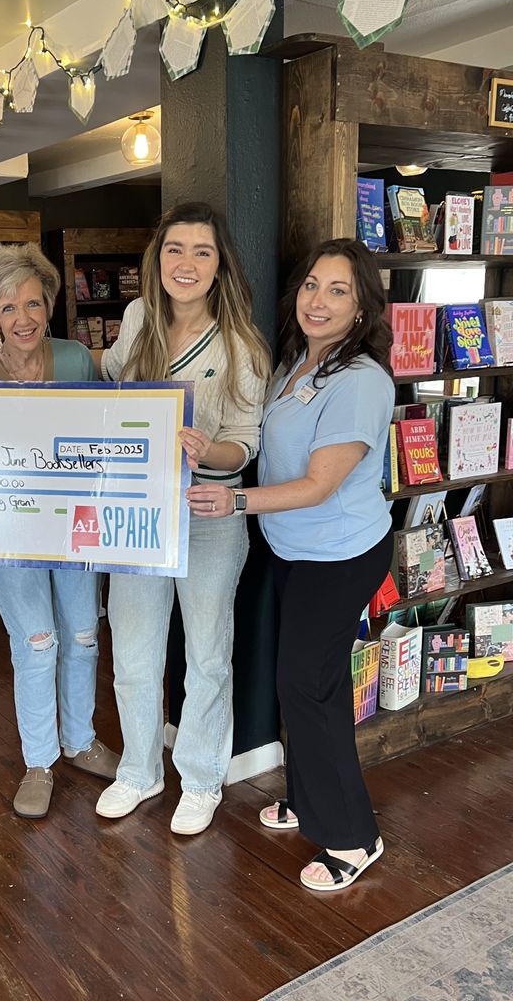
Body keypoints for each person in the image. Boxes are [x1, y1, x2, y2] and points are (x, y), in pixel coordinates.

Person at [188, 237, 394, 890]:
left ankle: (353, 836)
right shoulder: (299, 365)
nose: (318, 300)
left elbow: (318, 484)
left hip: (340, 553)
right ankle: (308, 800)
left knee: (308, 686)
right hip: (296, 550)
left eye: (337, 290)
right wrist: (208, 449)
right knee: (300, 683)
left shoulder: (361, 380)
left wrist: (236, 501)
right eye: (312, 285)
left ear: (361, 307)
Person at [95, 202, 271, 835]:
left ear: (220, 265)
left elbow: (246, 442)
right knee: (136, 655)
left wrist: (206, 449)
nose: (186, 263)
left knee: (207, 658)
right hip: (140, 512)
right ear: (158, 258)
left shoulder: (240, 342)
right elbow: (112, 389)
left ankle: (199, 780)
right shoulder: (138, 318)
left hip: (209, 515)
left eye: (202, 251)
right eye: (175, 249)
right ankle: (139, 771)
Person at [0, 242, 120, 819]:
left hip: (76, 527)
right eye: (9, 308)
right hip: (12, 536)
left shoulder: (77, 359)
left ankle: (79, 741)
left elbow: (105, 441)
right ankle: (38, 760)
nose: (23, 318)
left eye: (33, 303)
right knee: (36, 644)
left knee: (82, 634)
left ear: (48, 305)